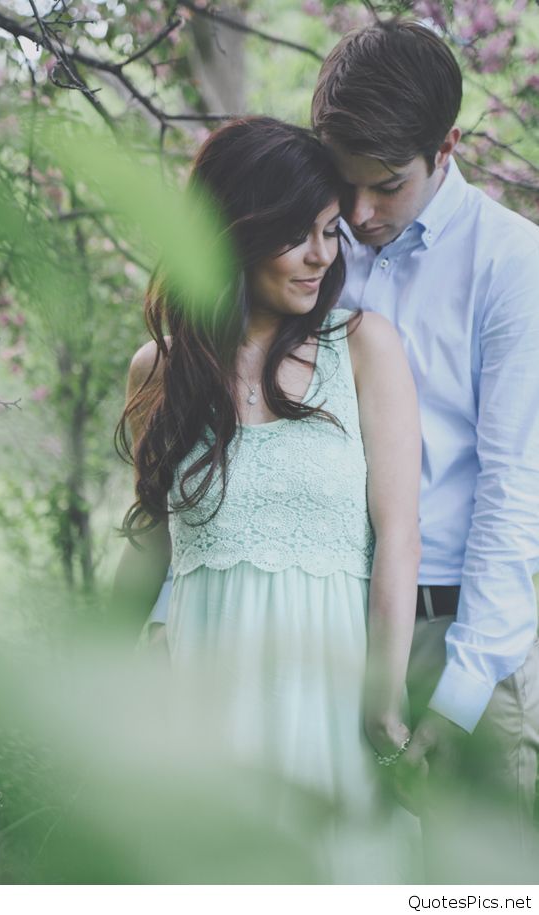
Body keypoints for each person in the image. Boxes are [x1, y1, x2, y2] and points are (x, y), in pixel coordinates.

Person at [115, 116, 421, 880]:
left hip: (329, 708)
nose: (323, 255)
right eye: (298, 235)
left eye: (328, 231)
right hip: (200, 710)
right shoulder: (159, 369)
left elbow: (399, 534)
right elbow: (147, 549)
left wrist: (382, 699)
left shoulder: (364, 346)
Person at [311, 18, 539, 857]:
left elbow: (518, 489)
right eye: (347, 184)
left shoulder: (512, 265)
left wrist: (464, 693)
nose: (361, 213)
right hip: (325, 623)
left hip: (458, 636)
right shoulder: (315, 246)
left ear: (445, 148)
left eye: (388, 186)